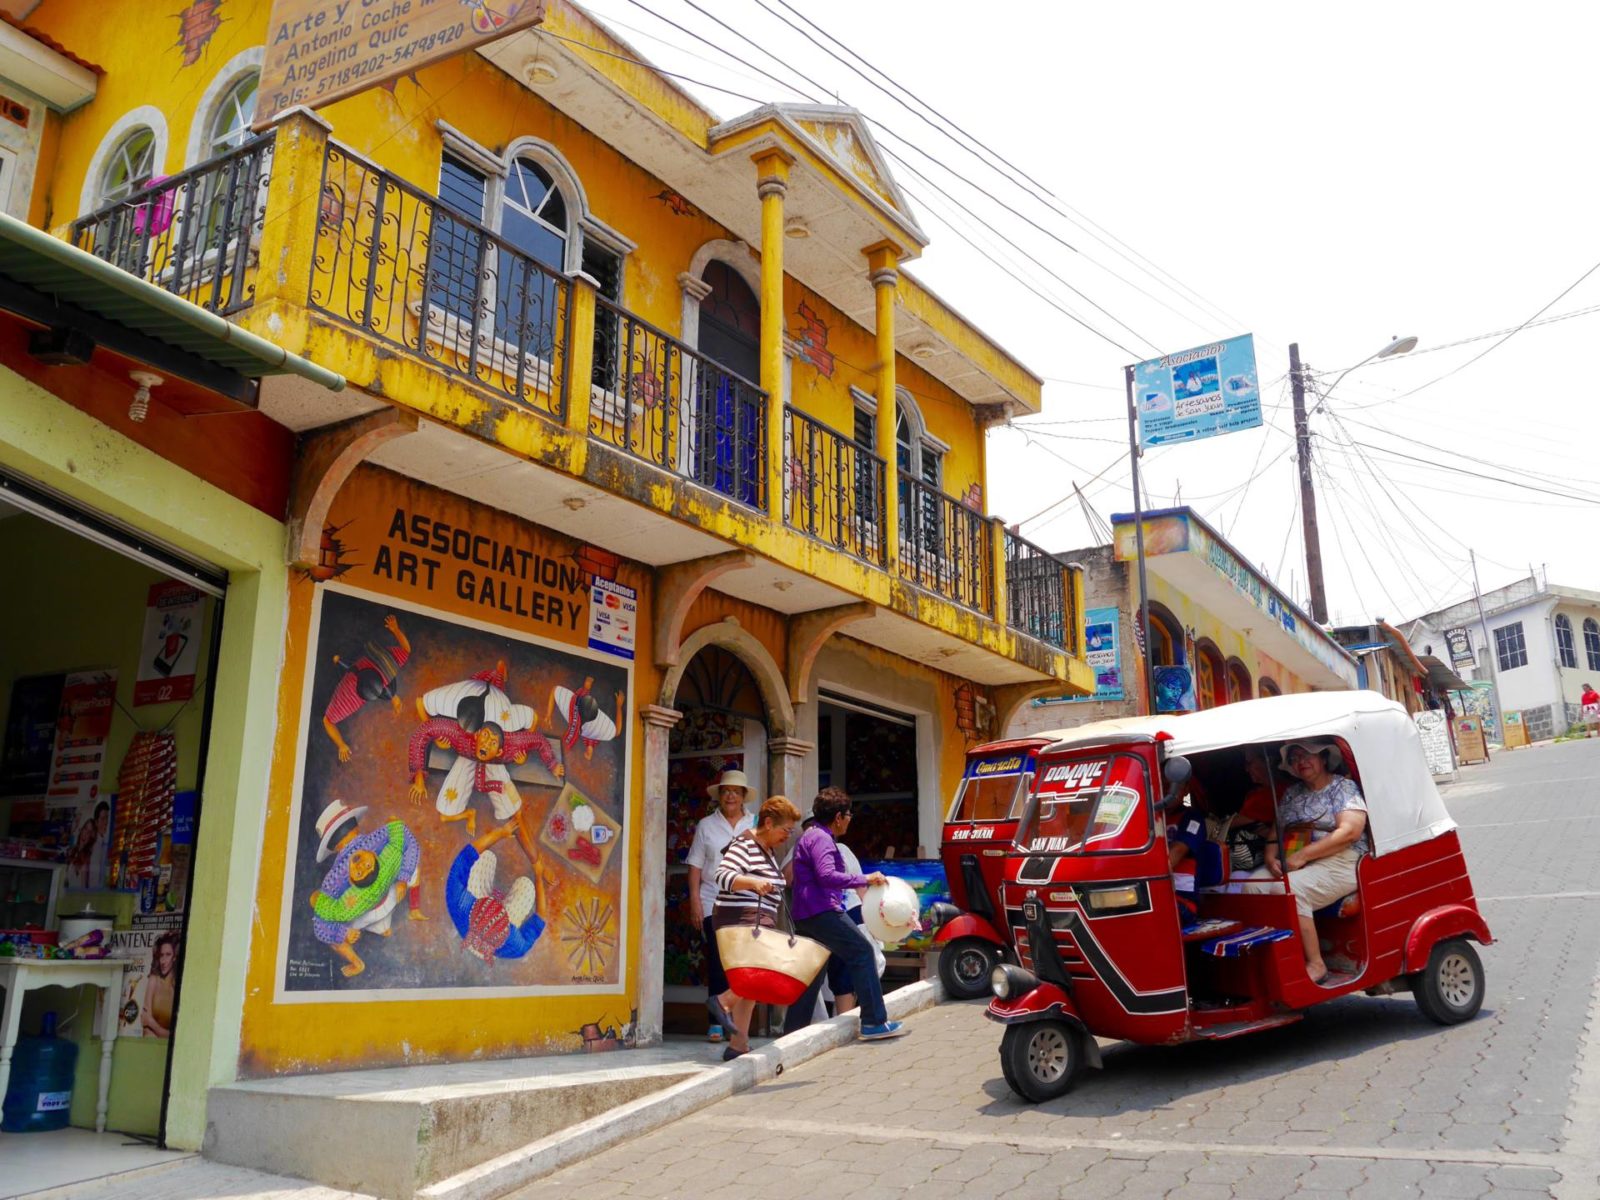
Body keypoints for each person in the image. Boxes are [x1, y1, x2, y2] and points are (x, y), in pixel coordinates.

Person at [1240, 740, 1369, 984]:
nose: (1301, 762)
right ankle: (1275, 958)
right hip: (1302, 860)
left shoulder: (1343, 787)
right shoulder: (1293, 793)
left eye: (1306, 755)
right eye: (1294, 758)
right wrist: (1270, 857)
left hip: (1343, 860)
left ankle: (1316, 963)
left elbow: (1350, 832)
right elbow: (1277, 831)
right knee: (1251, 887)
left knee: (1288, 890)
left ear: (1322, 758)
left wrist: (1303, 855)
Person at [783, 788, 905, 1041]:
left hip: (808, 912)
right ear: (838, 817)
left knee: (811, 972)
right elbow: (826, 876)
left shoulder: (811, 836)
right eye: (849, 814)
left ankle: (792, 1035)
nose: (850, 819)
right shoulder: (821, 839)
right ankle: (873, 1021)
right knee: (862, 952)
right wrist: (865, 878)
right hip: (821, 911)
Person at [710, 795, 801, 1060]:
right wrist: (753, 882)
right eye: (786, 830)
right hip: (742, 918)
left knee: (750, 981)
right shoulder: (745, 844)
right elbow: (722, 875)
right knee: (758, 971)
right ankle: (722, 1002)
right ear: (769, 823)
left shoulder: (767, 850)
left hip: (759, 919)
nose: (788, 836)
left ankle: (738, 1045)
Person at [687, 769, 754, 1042]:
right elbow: (695, 865)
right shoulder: (706, 825)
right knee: (717, 960)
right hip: (712, 899)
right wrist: (694, 902)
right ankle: (715, 1022)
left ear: (743, 796)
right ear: (719, 796)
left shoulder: (755, 822)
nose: (730, 796)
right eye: (726, 791)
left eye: (736, 792)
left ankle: (735, 1020)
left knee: (741, 962)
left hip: (745, 902)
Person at [141, 931, 179, 1038]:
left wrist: (153, 1024)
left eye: (168, 955)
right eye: (161, 955)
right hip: (151, 1040)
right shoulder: (153, 980)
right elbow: (145, 1023)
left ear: (175, 957)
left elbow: (176, 1036)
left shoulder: (178, 985)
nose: (163, 960)